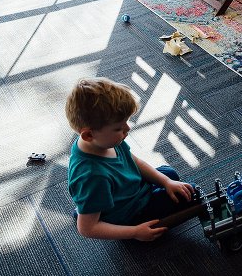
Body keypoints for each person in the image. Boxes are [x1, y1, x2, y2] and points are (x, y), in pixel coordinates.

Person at [66, 78, 198, 241]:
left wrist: (165, 182)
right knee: (193, 194)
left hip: (132, 190)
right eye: (119, 127)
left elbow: (135, 162)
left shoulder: (104, 141)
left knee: (170, 175)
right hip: (131, 215)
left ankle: (88, 208)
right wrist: (135, 232)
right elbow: (87, 228)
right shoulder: (92, 176)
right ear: (89, 135)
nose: (127, 129)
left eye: (126, 123)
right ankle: (90, 211)